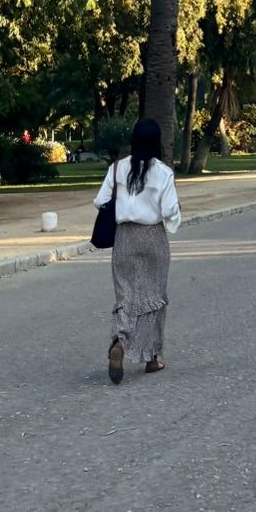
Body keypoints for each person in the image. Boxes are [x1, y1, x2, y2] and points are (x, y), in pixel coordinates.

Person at [94, 116, 182, 383]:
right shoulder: (163, 172)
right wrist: (174, 218)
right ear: (156, 142)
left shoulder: (117, 169)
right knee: (154, 296)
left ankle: (119, 341)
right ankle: (152, 358)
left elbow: (100, 201)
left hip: (125, 238)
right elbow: (169, 211)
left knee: (126, 295)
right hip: (153, 238)